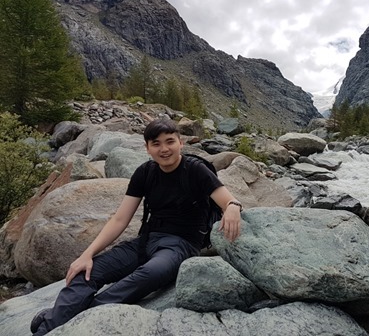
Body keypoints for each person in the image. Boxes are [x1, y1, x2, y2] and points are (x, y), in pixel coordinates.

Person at [31, 118, 242, 335]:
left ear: (181, 143)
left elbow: (228, 200)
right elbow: (120, 220)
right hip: (145, 241)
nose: (164, 149)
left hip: (181, 246)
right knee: (84, 273)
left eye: (170, 141)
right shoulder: (145, 172)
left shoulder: (195, 170)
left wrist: (233, 206)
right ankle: (49, 327)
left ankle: (68, 319)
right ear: (147, 148)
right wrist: (87, 254)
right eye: (156, 144)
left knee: (151, 273)